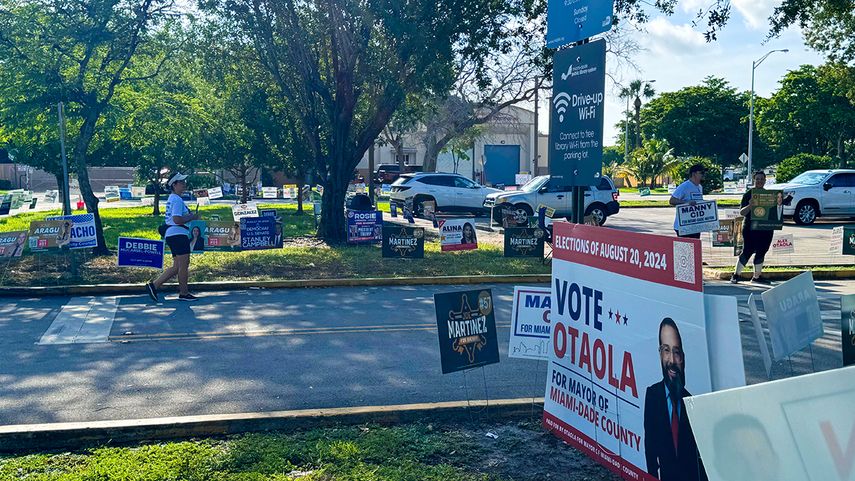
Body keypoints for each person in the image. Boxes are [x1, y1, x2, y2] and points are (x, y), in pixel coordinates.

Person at [644, 318, 706, 481]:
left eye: (676, 352)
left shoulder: (692, 401)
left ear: (683, 358)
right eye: (666, 350)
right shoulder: (652, 395)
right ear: (660, 354)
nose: (671, 360)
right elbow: (650, 446)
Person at [147, 173, 198, 302]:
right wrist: (192, 216)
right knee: (184, 265)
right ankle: (184, 293)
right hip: (178, 234)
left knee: (177, 266)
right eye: (181, 182)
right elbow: (177, 219)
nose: (184, 184)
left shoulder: (173, 198)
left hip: (173, 234)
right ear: (174, 185)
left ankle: (154, 285)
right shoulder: (177, 199)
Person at [731, 171, 775, 285]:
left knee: (762, 251)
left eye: (762, 179)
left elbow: (775, 211)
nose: (760, 181)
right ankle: (736, 275)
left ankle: (757, 276)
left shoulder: (770, 195)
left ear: (765, 181)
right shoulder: (748, 194)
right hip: (750, 228)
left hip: (766, 229)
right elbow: (742, 212)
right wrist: (750, 205)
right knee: (747, 251)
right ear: (754, 180)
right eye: (757, 179)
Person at [669, 164, 705, 238]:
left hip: (695, 225)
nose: (703, 175)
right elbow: (672, 200)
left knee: (694, 248)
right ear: (694, 174)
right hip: (683, 226)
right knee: (685, 249)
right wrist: (686, 203)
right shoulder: (684, 186)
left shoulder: (699, 187)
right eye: (701, 173)